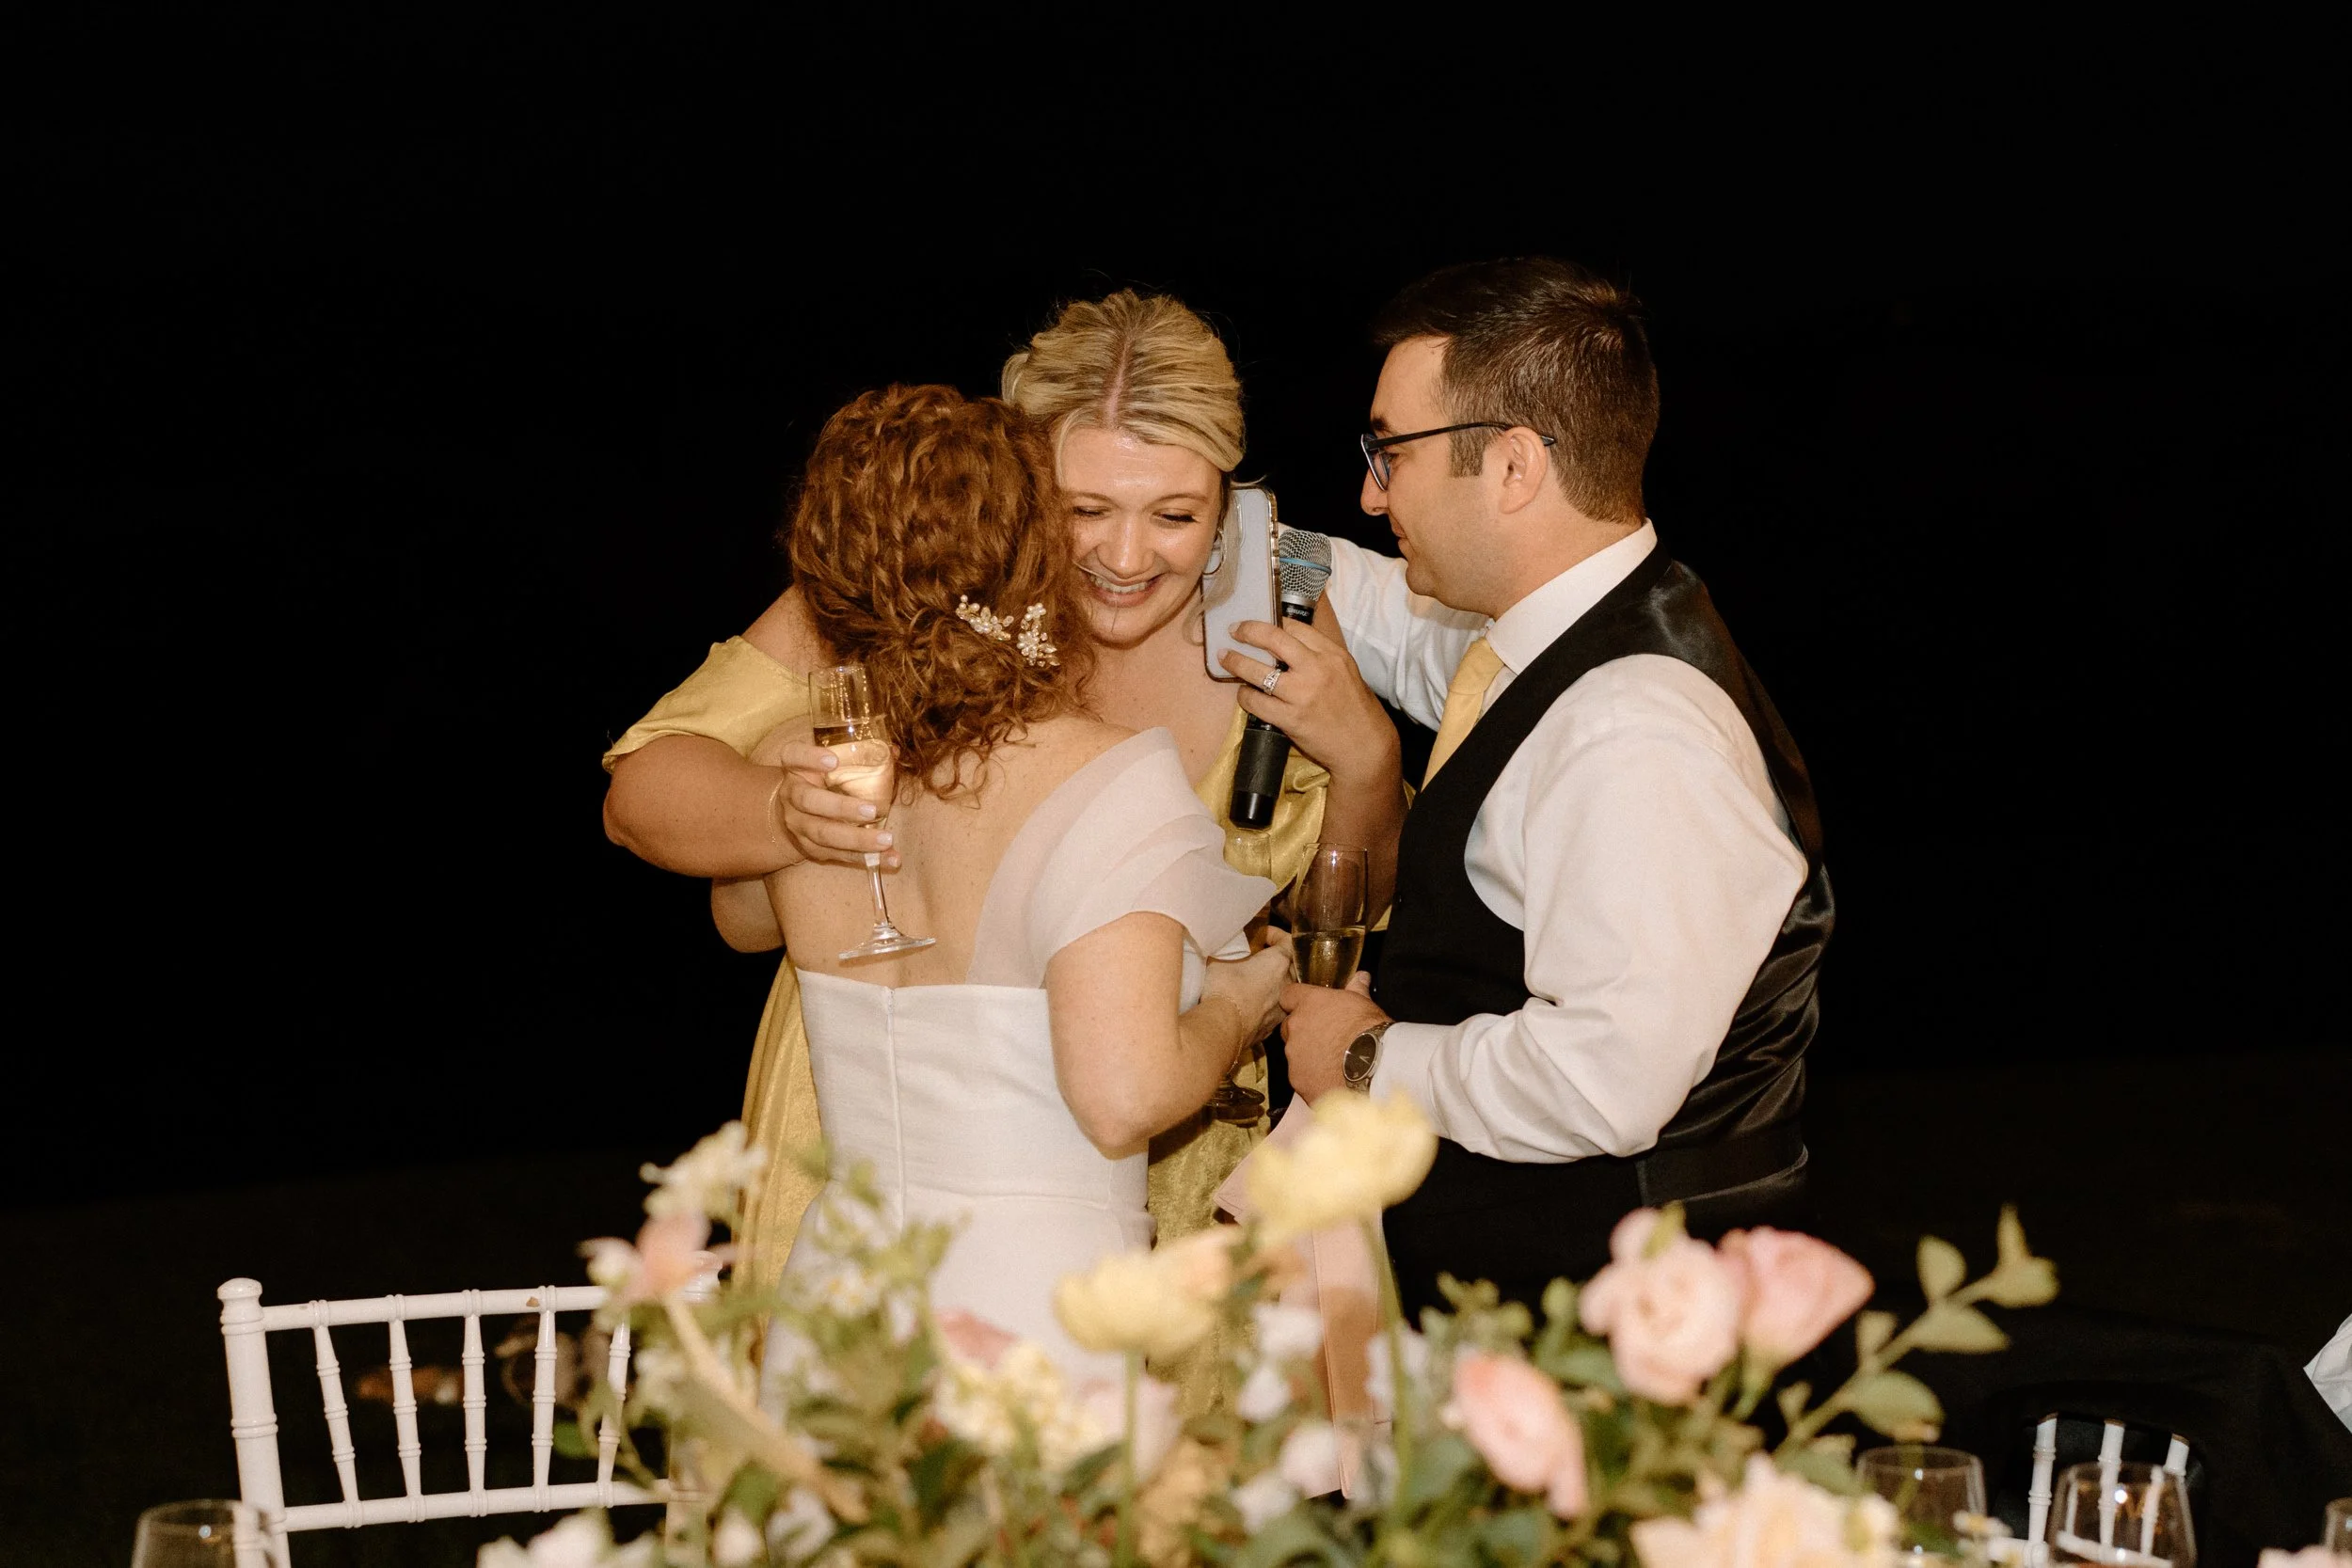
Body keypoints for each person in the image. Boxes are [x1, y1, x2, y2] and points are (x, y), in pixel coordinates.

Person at [600, 293, 1404, 1397]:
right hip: (877, 1125)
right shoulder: (907, 592)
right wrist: (786, 817)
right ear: (1019, 487)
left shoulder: (1278, 621)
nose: (1126, 555)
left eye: (1175, 514)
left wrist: (1365, 761)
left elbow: (1335, 918)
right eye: (1084, 509)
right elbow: (650, 799)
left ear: (1228, 498)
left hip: (1174, 1162)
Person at [1277, 258, 1834, 1322]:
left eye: (1391, 452)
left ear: (1514, 465)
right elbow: (1382, 616)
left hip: (1617, 1327)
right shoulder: (1542, 637)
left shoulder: (1634, 726)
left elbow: (1600, 1079)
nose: (1370, 492)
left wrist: (1363, 1054)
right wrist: (1187, 516)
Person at [750, 383, 1289, 1373]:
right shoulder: (1109, 773)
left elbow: (740, 916)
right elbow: (1125, 1094)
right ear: (1033, 553)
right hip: (1029, 1318)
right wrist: (1235, 1005)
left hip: (838, 1302)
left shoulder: (802, 762)